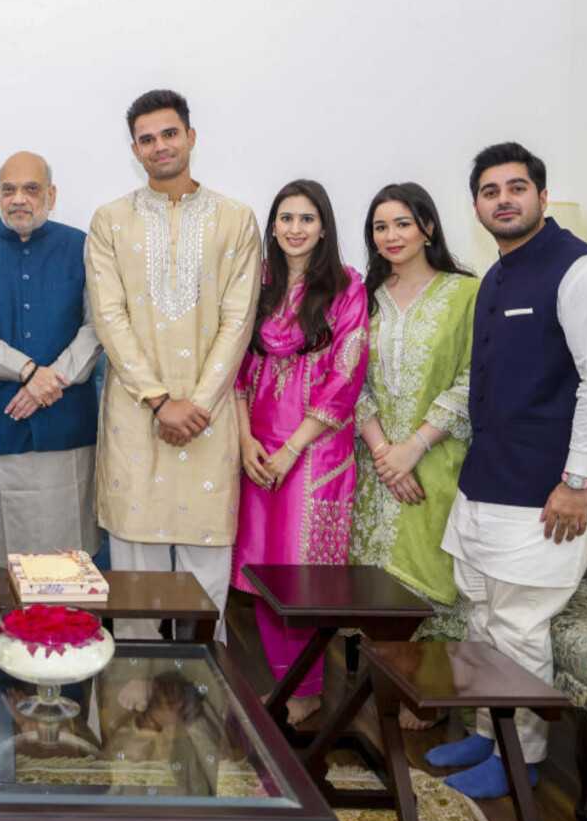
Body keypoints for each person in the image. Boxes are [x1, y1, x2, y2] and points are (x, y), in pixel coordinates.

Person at [430, 142, 587, 801]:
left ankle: (517, 757)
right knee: (480, 613)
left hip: (550, 491)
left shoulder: (584, 272)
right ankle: (484, 730)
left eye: (516, 187)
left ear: (541, 196)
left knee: (519, 625)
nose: (504, 200)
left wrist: (577, 482)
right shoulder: (497, 275)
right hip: (489, 480)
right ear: (476, 206)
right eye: (490, 191)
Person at [86, 89, 261, 639]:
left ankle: (205, 684)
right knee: (135, 576)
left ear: (190, 136)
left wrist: (198, 404)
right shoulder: (110, 221)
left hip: (207, 418)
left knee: (205, 576)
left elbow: (239, 319)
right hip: (136, 414)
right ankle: (133, 686)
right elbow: (108, 317)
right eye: (147, 139)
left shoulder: (236, 220)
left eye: (169, 134)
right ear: (134, 150)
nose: (159, 146)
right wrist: (161, 401)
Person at [231, 181, 369, 728]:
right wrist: (245, 442)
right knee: (262, 570)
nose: (294, 228)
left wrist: (292, 448)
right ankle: (286, 679)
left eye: (306, 218)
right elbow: (238, 371)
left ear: (324, 227)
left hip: (314, 452)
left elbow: (345, 377)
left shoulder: (345, 289)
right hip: (259, 447)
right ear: (273, 226)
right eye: (285, 218)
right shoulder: (258, 286)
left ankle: (308, 688)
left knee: (302, 573)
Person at [0, 150, 102, 584]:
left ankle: (64, 627)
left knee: (66, 554)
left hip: (64, 423)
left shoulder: (81, 246)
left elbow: (99, 325)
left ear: (51, 194)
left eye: (31, 189)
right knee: (0, 553)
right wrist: (28, 370)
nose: (19, 199)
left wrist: (52, 379)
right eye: (9, 190)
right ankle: (8, 626)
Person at [350, 182, 477, 613]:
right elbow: (349, 379)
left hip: (437, 463)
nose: (391, 236)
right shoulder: (361, 297)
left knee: (423, 606)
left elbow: (473, 377)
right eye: (380, 227)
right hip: (372, 468)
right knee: (365, 604)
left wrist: (415, 446)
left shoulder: (468, 294)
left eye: (402, 224)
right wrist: (385, 455)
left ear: (428, 227)